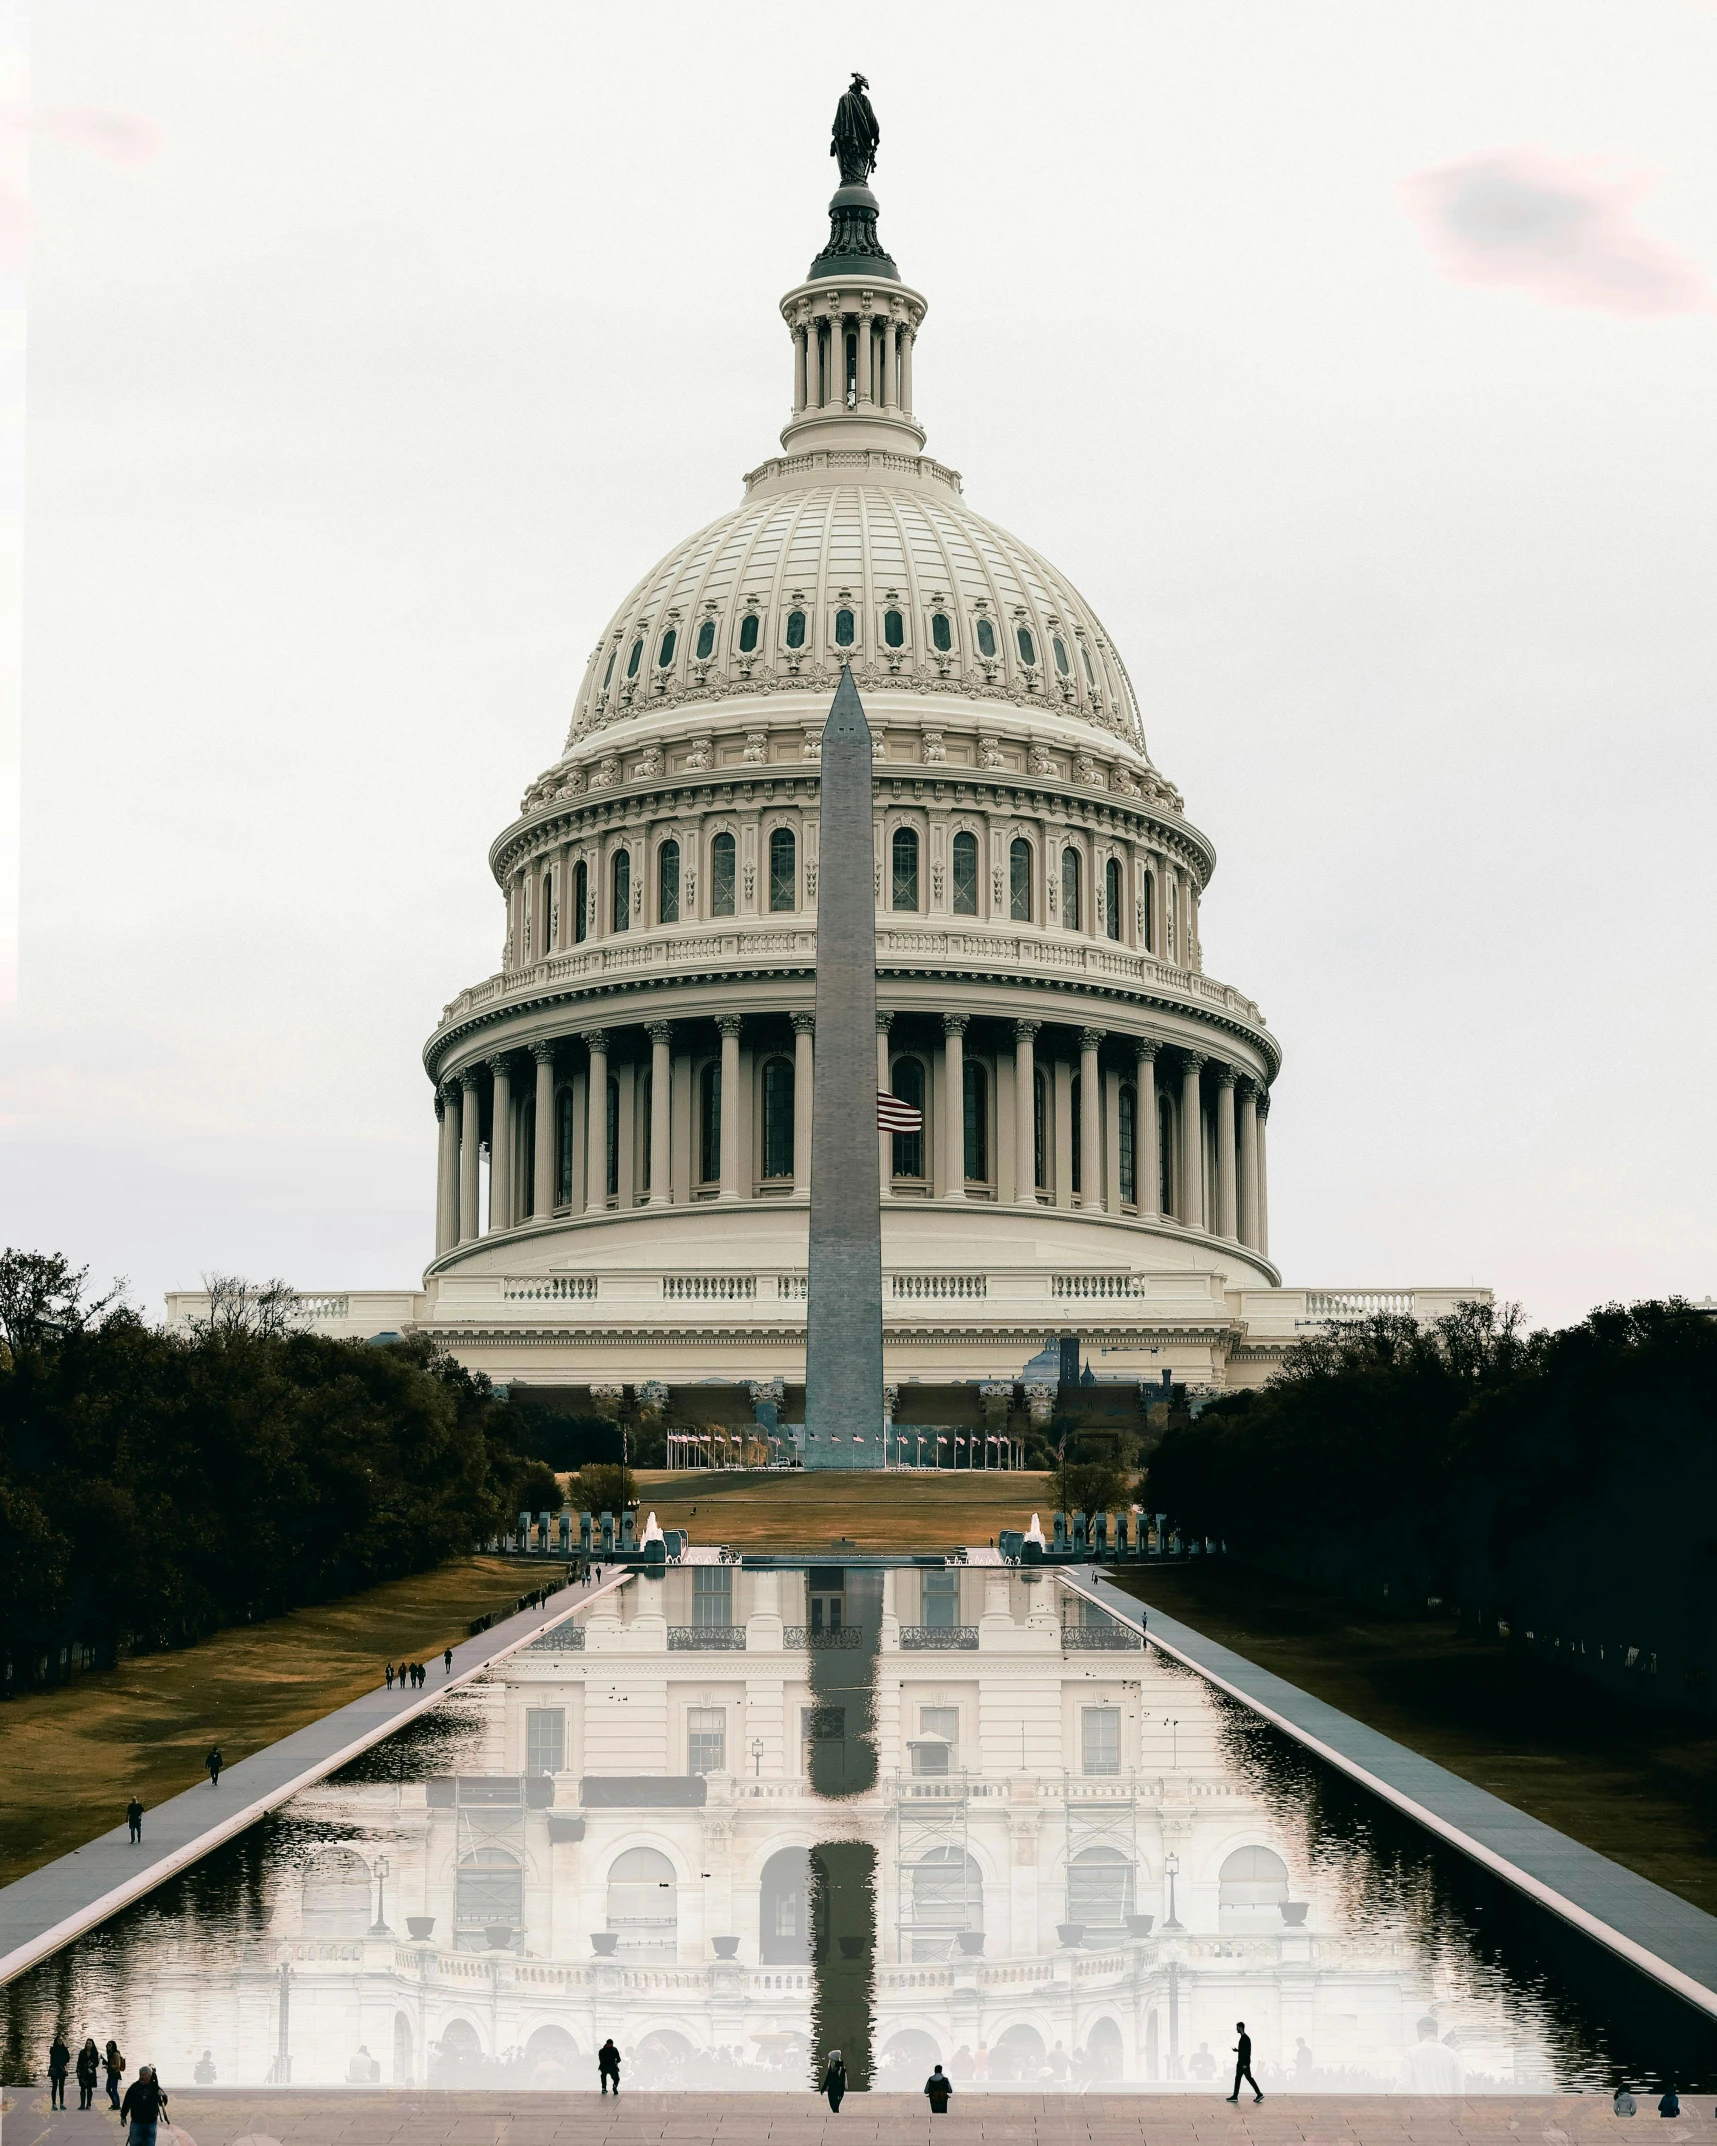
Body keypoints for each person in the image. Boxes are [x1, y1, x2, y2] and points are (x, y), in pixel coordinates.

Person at [120, 2063, 168, 2146]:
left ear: (150, 2076)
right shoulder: (134, 2087)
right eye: (141, 2075)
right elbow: (127, 2102)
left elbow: (163, 2103)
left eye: (144, 2075)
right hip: (137, 2121)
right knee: (135, 2143)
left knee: (150, 2143)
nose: (141, 2077)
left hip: (151, 2122)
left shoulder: (154, 2087)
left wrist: (163, 2095)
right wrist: (123, 2116)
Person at [1227, 2020, 1262, 2104]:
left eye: (1237, 2028)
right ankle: (1235, 2096)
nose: (1236, 2029)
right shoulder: (1244, 2038)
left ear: (1240, 2027)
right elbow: (1244, 2050)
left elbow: (1247, 2052)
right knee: (1239, 2078)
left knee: (1246, 2078)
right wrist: (1237, 2050)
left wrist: (1245, 2064)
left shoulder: (1245, 2038)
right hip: (1242, 2063)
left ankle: (1259, 2094)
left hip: (1243, 2063)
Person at [47, 2032, 70, 2109]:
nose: (60, 2041)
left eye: (61, 2040)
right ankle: (53, 2103)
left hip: (62, 2069)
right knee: (54, 2086)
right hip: (54, 2069)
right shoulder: (53, 2049)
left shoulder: (64, 2049)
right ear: (56, 2041)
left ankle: (62, 2103)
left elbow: (67, 2059)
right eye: (59, 2040)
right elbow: (54, 2058)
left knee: (61, 2087)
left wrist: (66, 2068)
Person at [76, 2037, 100, 2108]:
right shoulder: (82, 2052)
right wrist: (78, 2071)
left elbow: (97, 2063)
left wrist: (92, 2064)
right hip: (83, 2072)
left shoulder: (95, 2052)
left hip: (91, 2072)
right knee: (82, 2088)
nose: (88, 2044)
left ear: (92, 2044)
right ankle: (82, 2104)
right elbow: (79, 2063)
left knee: (89, 2088)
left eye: (90, 2043)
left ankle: (89, 2103)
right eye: (87, 2043)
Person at [104, 2039, 126, 2109]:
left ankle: (117, 2104)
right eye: (107, 2045)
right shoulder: (110, 2054)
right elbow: (111, 2063)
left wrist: (109, 2066)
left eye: (110, 2045)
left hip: (115, 2074)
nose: (108, 2046)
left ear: (113, 2046)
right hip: (110, 2073)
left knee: (114, 2090)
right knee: (108, 2089)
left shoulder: (115, 2054)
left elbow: (117, 2065)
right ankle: (114, 2103)